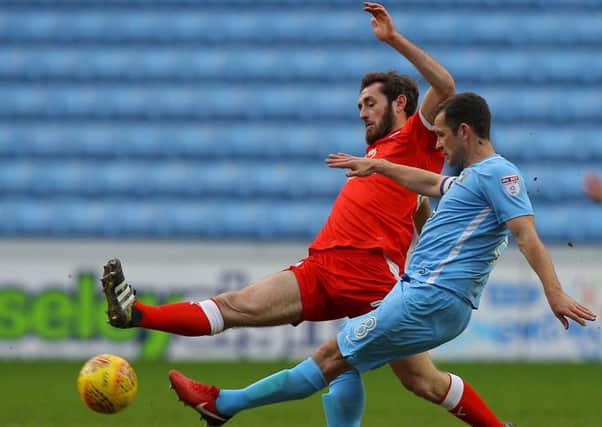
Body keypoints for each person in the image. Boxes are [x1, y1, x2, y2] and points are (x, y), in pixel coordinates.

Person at [102, 3, 508, 426]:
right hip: (324, 264)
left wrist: (392, 39)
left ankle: (223, 404)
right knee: (237, 306)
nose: (362, 113)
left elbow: (444, 83)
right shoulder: (378, 157)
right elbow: (419, 209)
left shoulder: (417, 137)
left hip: (370, 274)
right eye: (359, 106)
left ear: (401, 103)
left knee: (405, 376)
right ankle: (138, 315)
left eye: (370, 103)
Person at [167, 92, 597, 427]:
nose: (440, 145)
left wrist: (554, 292)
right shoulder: (470, 180)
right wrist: (379, 167)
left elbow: (528, 237)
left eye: (444, 136)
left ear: (465, 131)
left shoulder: (499, 174)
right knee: (367, 365)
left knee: (332, 357)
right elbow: (429, 181)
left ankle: (223, 403)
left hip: (432, 296)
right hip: (430, 296)